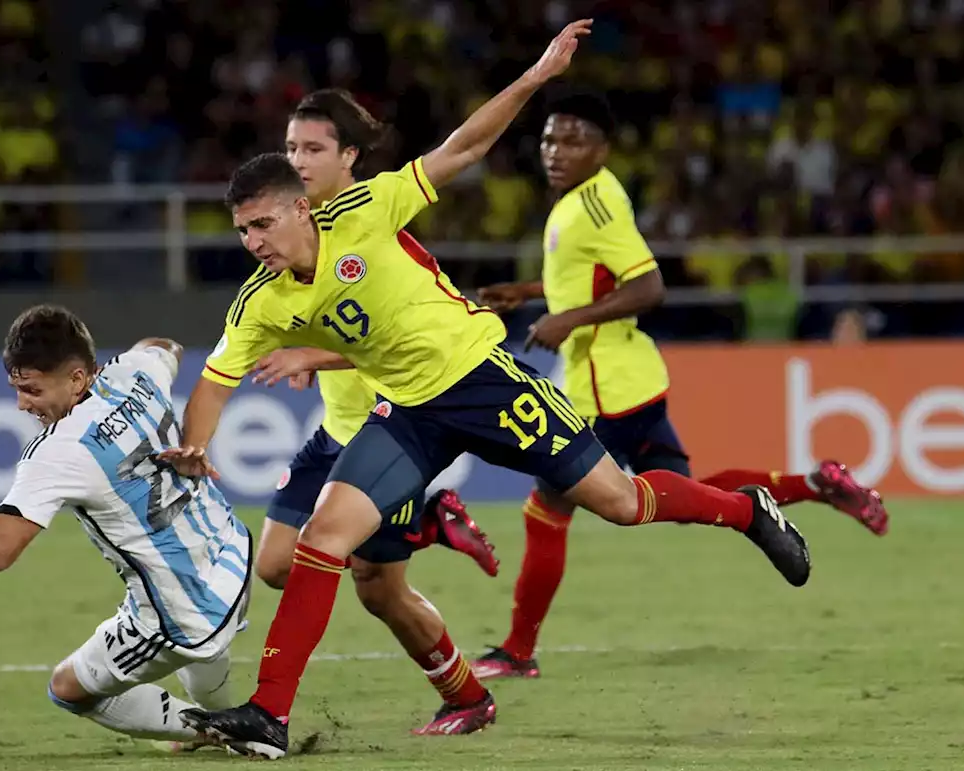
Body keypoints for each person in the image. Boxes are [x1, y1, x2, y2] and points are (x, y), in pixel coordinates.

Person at [160, 20, 810, 759]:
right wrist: (194, 446)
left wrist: (535, 76)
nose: (254, 242)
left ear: (301, 207)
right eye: (242, 231)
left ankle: (746, 510)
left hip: (483, 380)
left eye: (263, 224)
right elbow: (215, 380)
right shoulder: (261, 300)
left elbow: (462, 149)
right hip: (409, 411)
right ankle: (269, 714)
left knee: (622, 503)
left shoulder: (367, 210)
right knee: (323, 539)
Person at [471, 89, 888, 681]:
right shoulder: (582, 201)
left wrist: (564, 320)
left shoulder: (592, 205)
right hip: (631, 378)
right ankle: (816, 485)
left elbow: (648, 287)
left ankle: (517, 651)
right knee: (686, 492)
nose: (556, 152)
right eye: (549, 140)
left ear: (603, 149)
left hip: (605, 385)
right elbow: (591, 276)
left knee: (547, 508)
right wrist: (532, 292)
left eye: (573, 140)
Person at [0, 304, 247, 747]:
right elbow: (164, 346)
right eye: (17, 388)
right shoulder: (134, 373)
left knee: (69, 688)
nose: (23, 404)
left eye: (32, 390)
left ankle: (227, 731)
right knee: (206, 661)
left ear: (78, 379)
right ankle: (229, 719)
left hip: (185, 605)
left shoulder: (59, 450)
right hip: (231, 556)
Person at [252, 88, 500, 736]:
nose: (297, 160)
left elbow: (402, 342)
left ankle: (468, 695)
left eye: (312, 148)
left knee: (377, 588)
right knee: (277, 563)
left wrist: (317, 352)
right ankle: (429, 520)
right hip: (336, 429)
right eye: (290, 148)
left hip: (391, 427)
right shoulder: (291, 227)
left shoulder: (377, 216)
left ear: (349, 156)